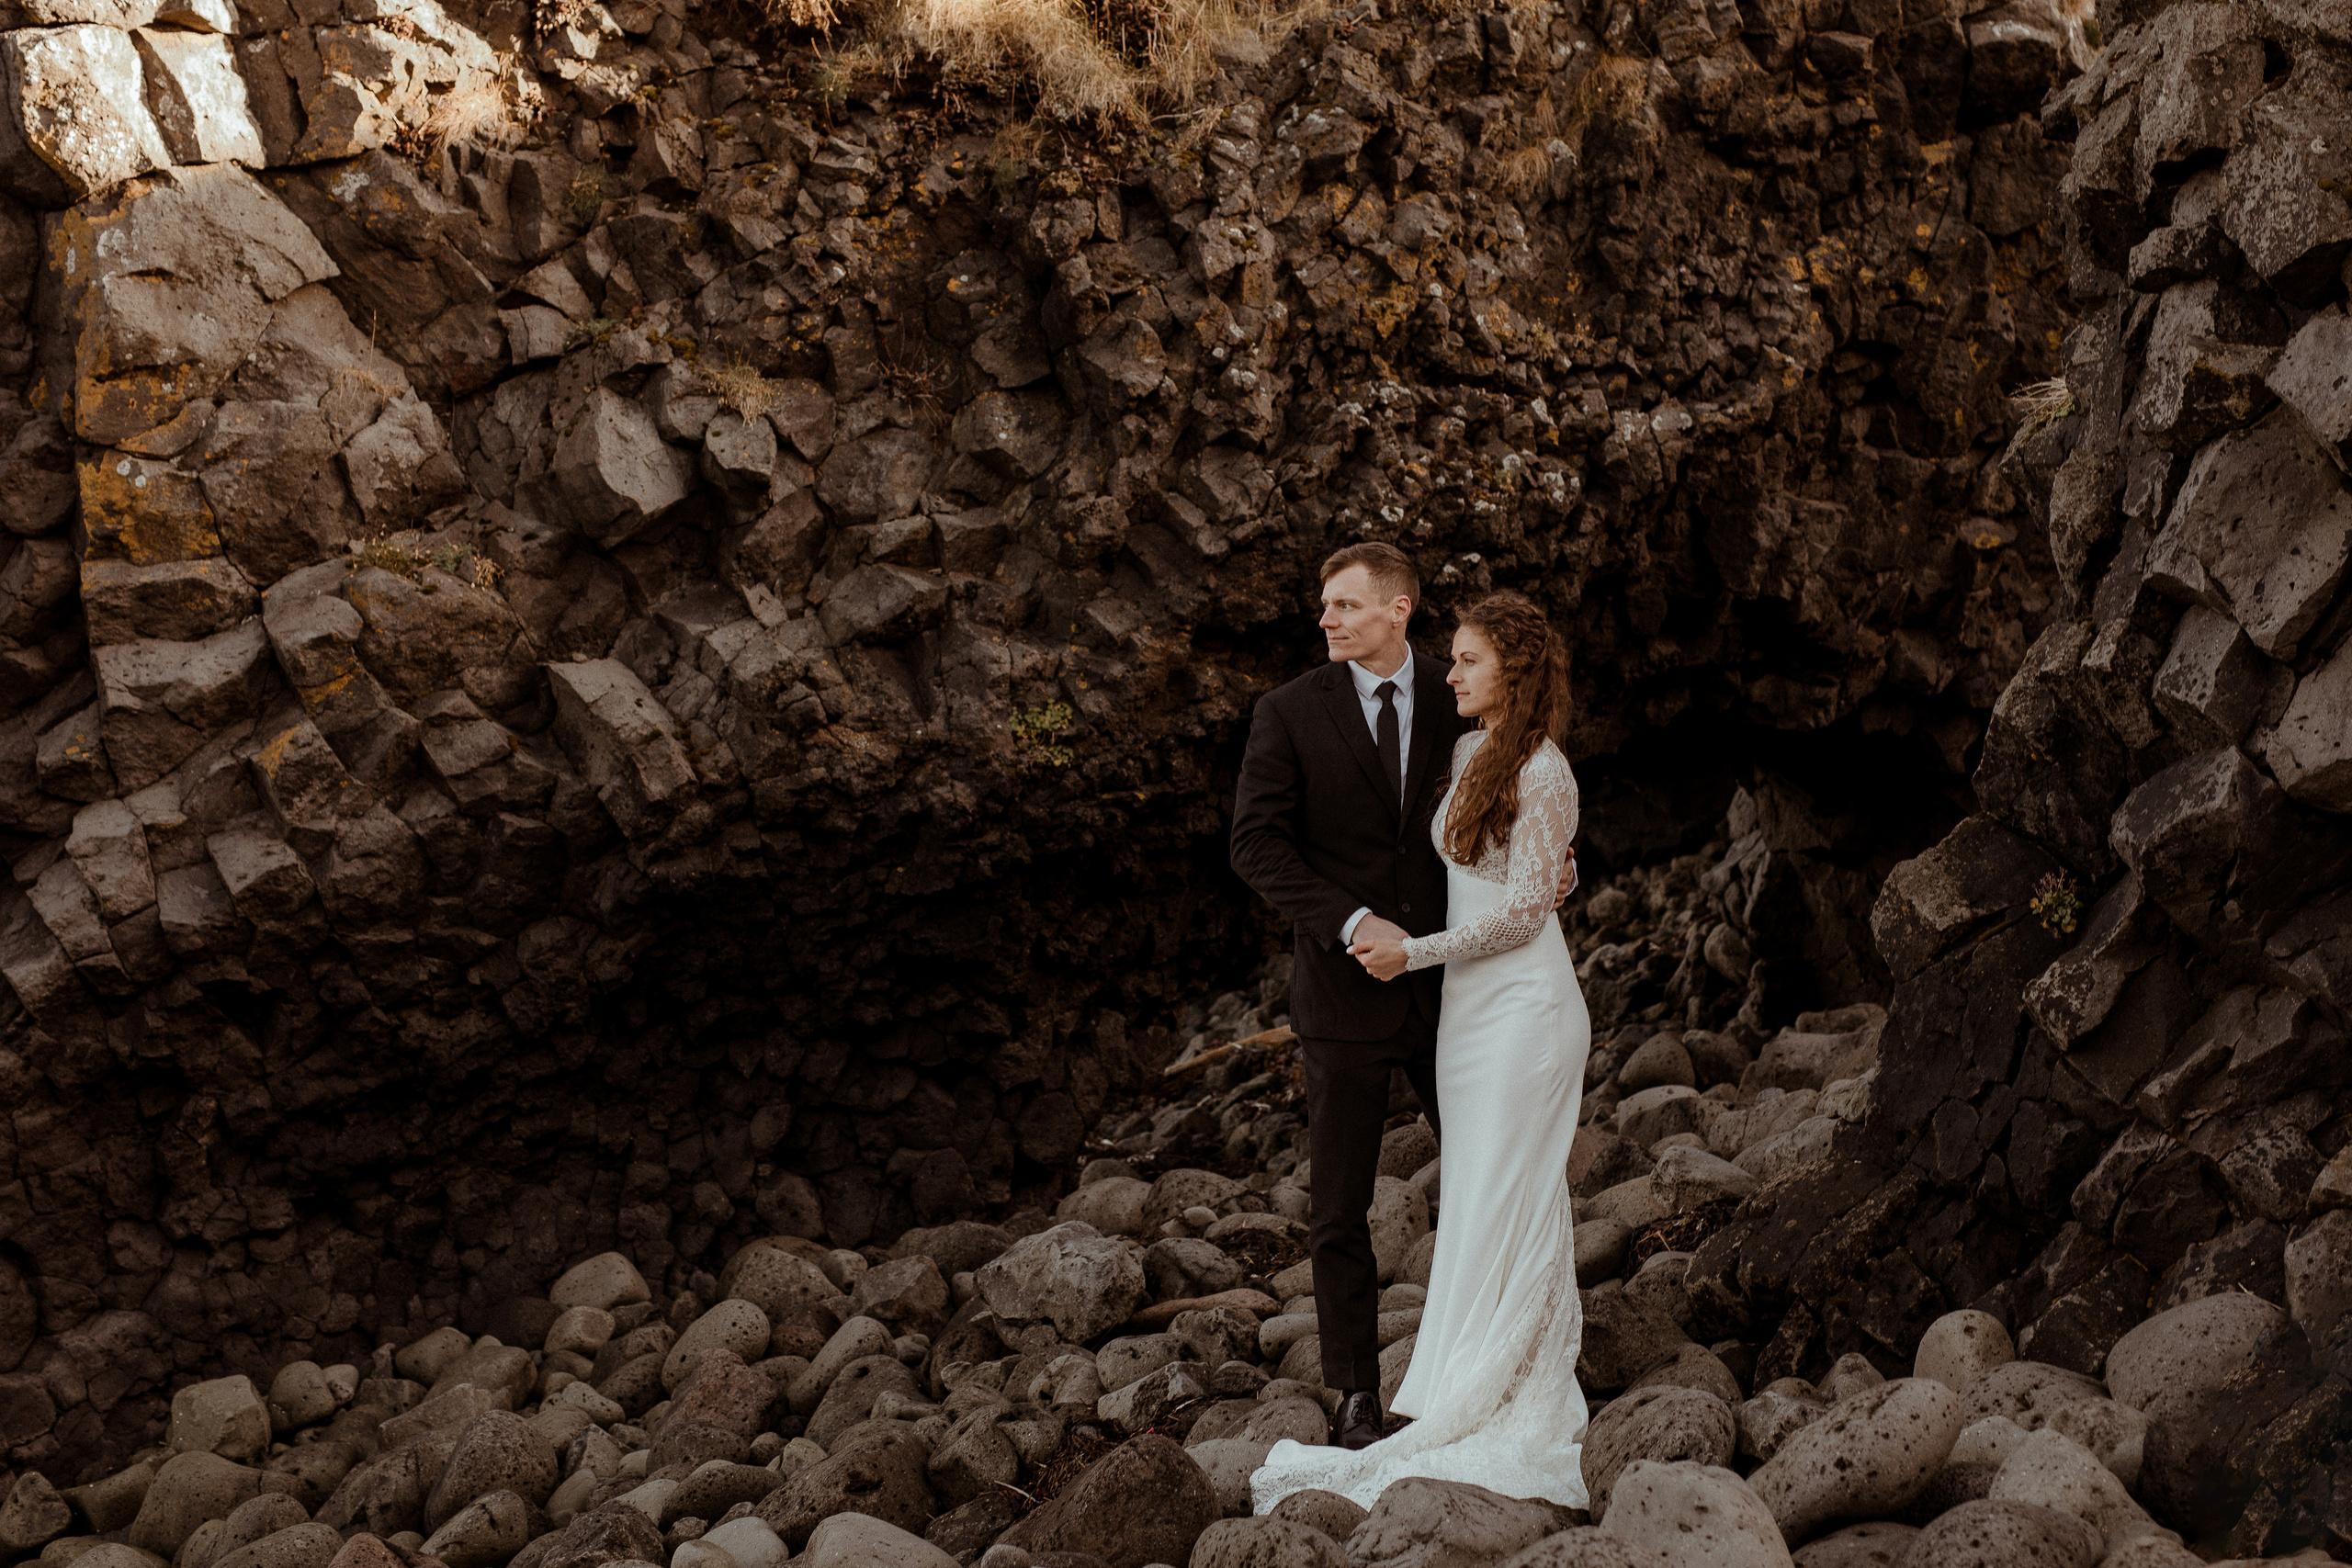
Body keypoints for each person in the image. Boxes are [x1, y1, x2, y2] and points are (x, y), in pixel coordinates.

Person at [1248, 588, 1593, 1512]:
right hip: (1447, 1010)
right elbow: (1503, 861)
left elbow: (1526, 902)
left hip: (1510, 1005)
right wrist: (1551, 862)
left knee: (1514, 1188)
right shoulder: (1465, 744)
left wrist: (1417, 952)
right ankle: (1427, 1386)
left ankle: (1519, 1383)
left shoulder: (1531, 759)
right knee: (1468, 1194)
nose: (1451, 675)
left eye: (1469, 662)